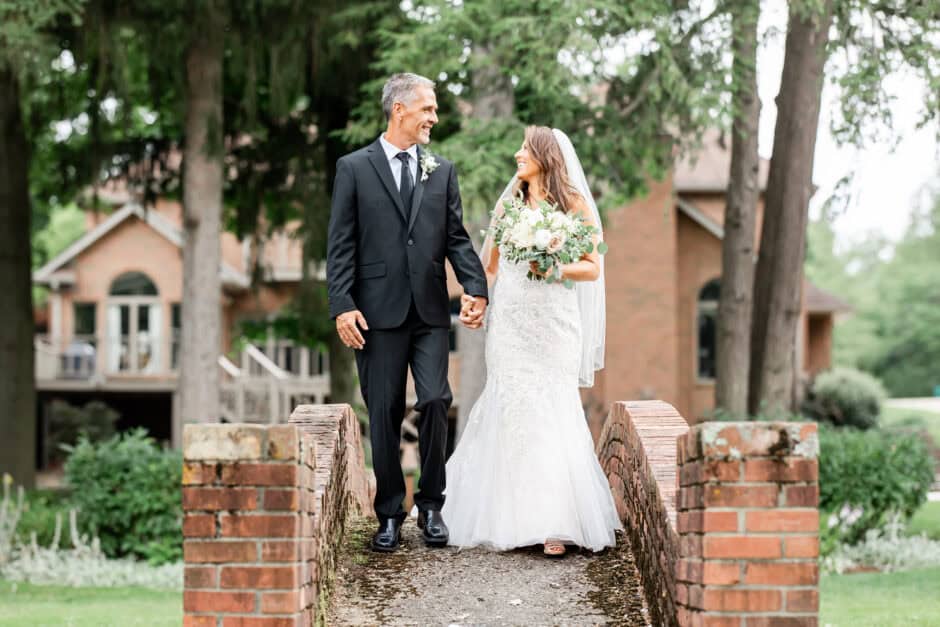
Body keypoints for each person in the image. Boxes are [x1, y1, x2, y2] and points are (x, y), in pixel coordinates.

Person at [326, 73, 488, 552]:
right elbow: (340, 245)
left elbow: (455, 238)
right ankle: (390, 514)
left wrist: (475, 288)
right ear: (400, 110)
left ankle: (432, 506)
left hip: (431, 310)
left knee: (437, 399)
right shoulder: (353, 168)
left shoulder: (441, 170)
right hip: (374, 313)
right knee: (384, 410)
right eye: (427, 109)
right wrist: (342, 305)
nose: (434, 118)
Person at [442, 126, 622, 557]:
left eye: (525, 148)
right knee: (511, 405)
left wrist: (555, 265)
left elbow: (591, 268)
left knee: (552, 408)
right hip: (512, 323)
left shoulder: (573, 203)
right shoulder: (510, 206)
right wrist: (475, 302)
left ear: (545, 155)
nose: (518, 154)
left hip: (555, 324)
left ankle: (555, 521)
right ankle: (508, 515)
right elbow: (490, 268)